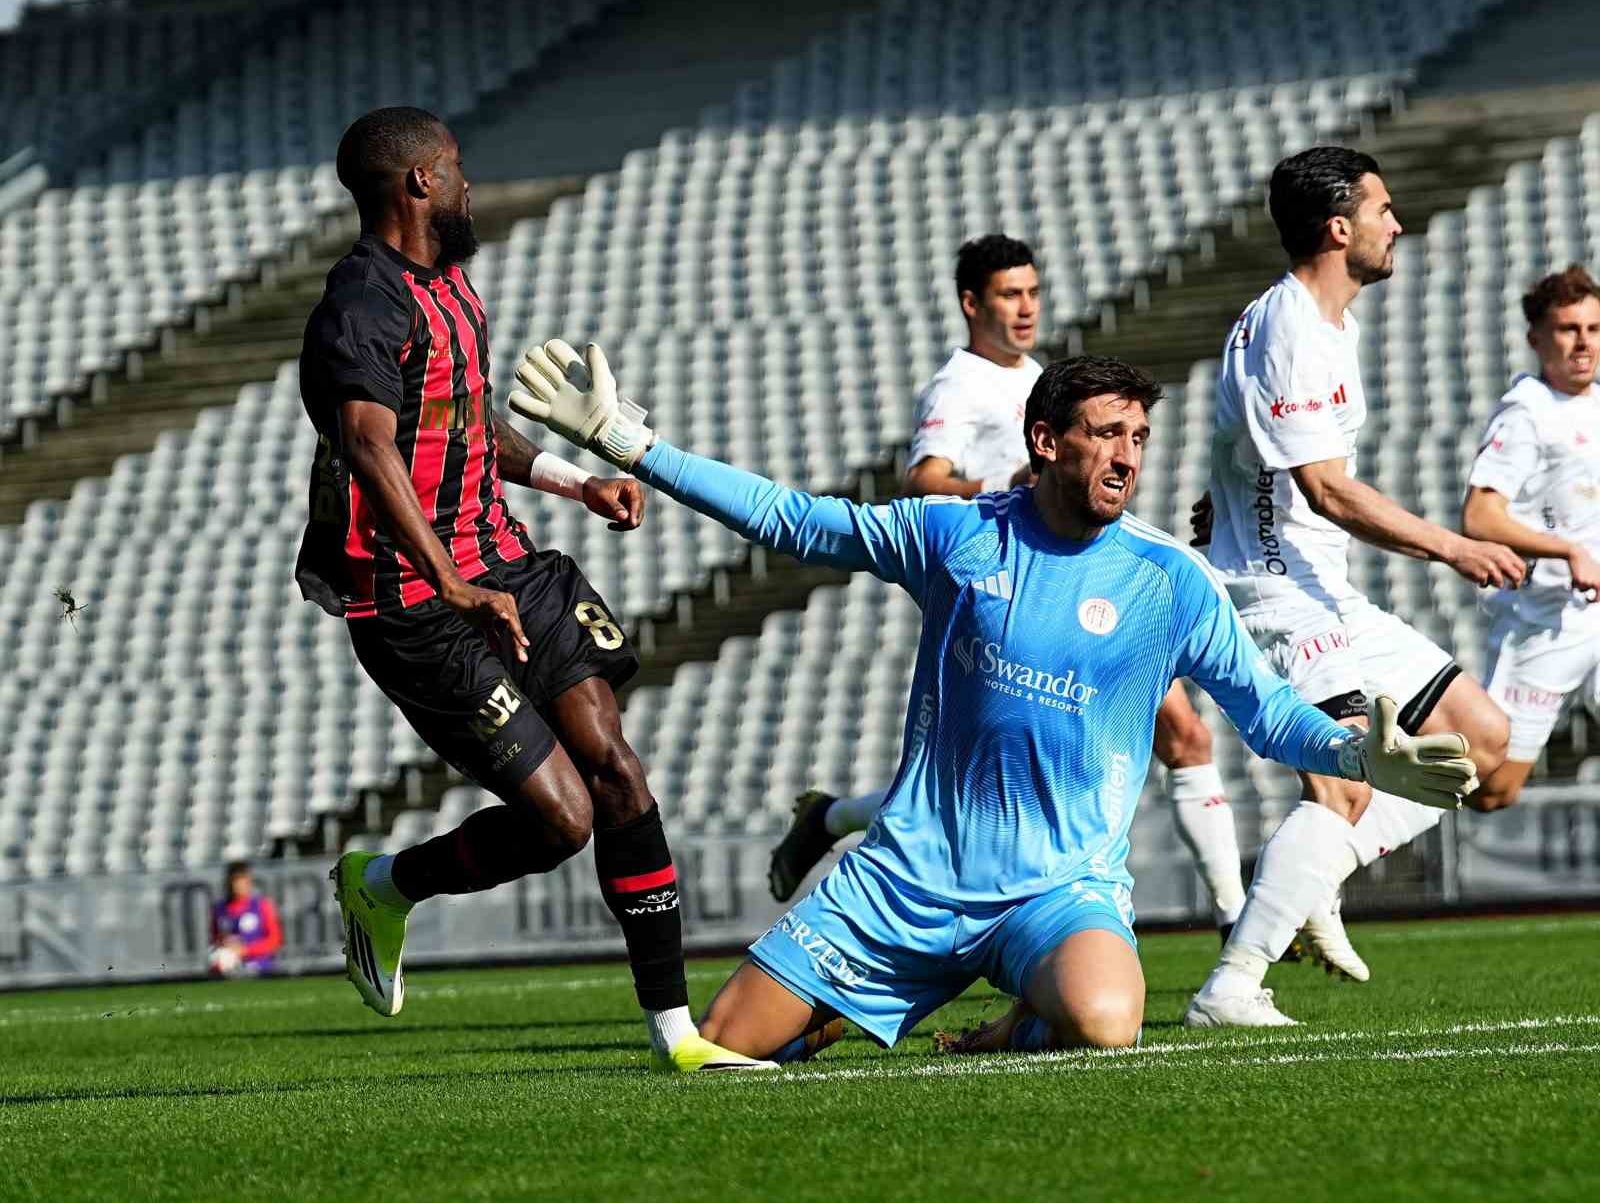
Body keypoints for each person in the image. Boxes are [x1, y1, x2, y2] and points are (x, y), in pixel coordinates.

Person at [506, 338, 1476, 1060]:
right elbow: (795, 520)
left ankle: (1015, 1015)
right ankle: (864, 996)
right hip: (905, 879)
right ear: (1046, 440)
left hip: (1056, 892)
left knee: (1107, 1020)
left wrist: (1355, 755)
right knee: (724, 1044)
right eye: (1105, 434)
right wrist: (630, 444)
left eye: (1138, 436)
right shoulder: (955, 535)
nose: (1127, 457)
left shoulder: (1168, 580)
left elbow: (1266, 712)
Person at [300, 106, 769, 1073]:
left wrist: (577, 480)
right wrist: (452, 583)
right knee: (563, 818)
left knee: (618, 772)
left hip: (512, 567)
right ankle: (385, 885)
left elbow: (471, 431)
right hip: (416, 604)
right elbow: (367, 446)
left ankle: (677, 1035)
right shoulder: (362, 305)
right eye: (457, 169)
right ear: (418, 184)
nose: (470, 185)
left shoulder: (454, 292)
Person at [767, 235, 1249, 941]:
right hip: (1003, 584)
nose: (1026, 308)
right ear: (972, 303)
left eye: (1033, 292)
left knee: (1161, 738)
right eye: (1009, 295)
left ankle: (833, 818)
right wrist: (1009, 482)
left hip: (1071, 578)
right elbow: (922, 483)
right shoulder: (958, 385)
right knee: (1176, 733)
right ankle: (1236, 920)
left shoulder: (1045, 376)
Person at [1184, 146, 1527, 1029]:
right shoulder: (1291, 324)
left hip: (1321, 585)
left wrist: (1217, 495)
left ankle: (1313, 873)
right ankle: (1234, 982)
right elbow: (1326, 488)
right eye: (1383, 209)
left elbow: (1241, 436)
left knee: (1486, 746)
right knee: (1344, 787)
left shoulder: (1323, 322)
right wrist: (1452, 547)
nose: (1397, 223)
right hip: (1273, 592)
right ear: (1340, 228)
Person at [1462, 265, 1600, 797]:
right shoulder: (1526, 415)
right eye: (1568, 329)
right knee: (1496, 792)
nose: (1583, 342)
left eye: (1593, 328)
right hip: (1545, 621)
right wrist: (1567, 550)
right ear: (1536, 339)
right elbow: (1479, 517)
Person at [208, 861, 283, 977]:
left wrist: (246, 950)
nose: (238, 885)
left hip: (261, 969)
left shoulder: (262, 906)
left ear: (249, 882)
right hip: (230, 968)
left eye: (243, 880)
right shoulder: (219, 909)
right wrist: (223, 945)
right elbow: (214, 939)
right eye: (235, 880)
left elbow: (275, 940)